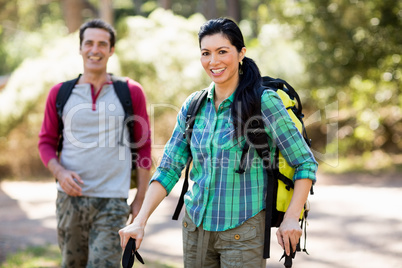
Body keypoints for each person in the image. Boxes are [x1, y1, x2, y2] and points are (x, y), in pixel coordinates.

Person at [119, 18, 317, 268]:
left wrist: (290, 218)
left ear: (241, 53)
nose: (213, 61)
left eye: (222, 51)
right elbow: (169, 168)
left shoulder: (264, 102)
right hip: (195, 229)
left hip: (243, 231)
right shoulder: (194, 105)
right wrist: (140, 220)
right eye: (206, 53)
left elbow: (305, 163)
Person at [38, 19, 151, 267]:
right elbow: (46, 142)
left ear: (111, 50)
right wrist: (60, 172)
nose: (95, 49)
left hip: (113, 200)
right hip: (70, 201)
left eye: (102, 44)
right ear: (80, 48)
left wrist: (140, 199)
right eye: (89, 43)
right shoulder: (60, 93)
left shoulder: (130, 91)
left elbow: (144, 148)